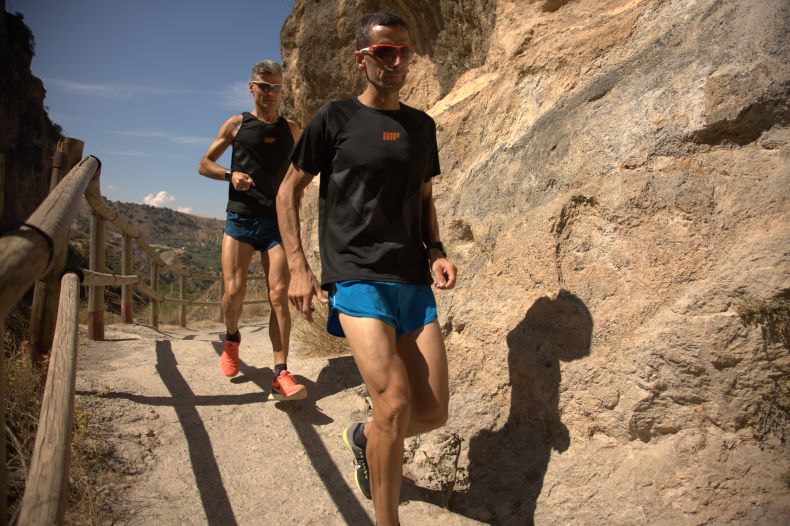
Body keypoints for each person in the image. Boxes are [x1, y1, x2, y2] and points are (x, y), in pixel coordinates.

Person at [276, 12, 457, 525]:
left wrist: (436, 250)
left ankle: (362, 437)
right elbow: (287, 190)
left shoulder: (422, 127)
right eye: (384, 53)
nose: (397, 61)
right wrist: (298, 266)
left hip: (411, 278)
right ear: (362, 60)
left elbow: (424, 196)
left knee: (432, 411)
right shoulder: (334, 119)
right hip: (355, 276)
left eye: (403, 51)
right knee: (396, 404)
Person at [198, 60, 306, 401]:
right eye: (264, 86)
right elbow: (204, 165)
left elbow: (309, 163)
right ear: (251, 87)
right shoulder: (237, 124)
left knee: (279, 296)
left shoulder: (292, 128)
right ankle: (231, 340)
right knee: (234, 291)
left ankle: (281, 372)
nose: (271, 93)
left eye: (277, 87)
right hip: (241, 219)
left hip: (277, 222)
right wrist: (231, 176)